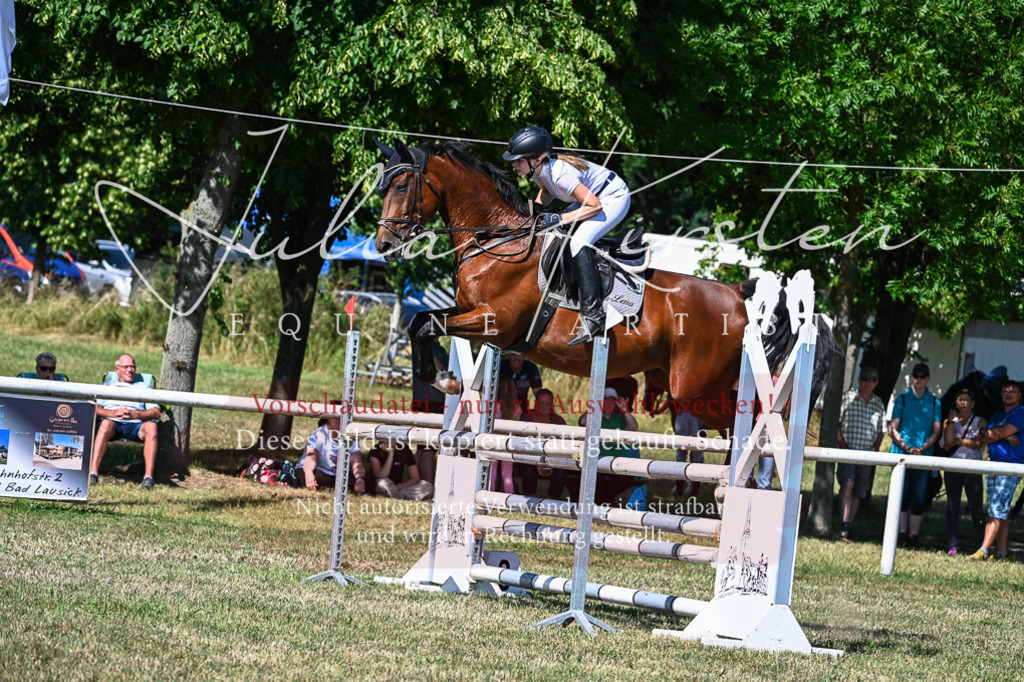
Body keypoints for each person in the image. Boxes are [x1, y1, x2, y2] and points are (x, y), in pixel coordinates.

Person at [503, 126, 631, 346]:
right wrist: (531, 216)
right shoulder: (538, 171)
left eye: (519, 160)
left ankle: (594, 315)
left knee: (578, 242)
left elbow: (594, 206)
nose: (514, 164)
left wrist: (560, 218)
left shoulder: (560, 174)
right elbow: (547, 191)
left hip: (612, 198)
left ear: (536, 160)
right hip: (592, 199)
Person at [962, 380, 1024, 560]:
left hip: (1010, 467)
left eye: (1013, 391)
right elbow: (983, 438)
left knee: (997, 508)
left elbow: (995, 434)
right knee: (999, 510)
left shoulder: (1021, 413)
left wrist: (997, 434)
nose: (1008, 394)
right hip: (993, 465)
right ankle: (1002, 554)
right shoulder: (997, 415)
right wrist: (1000, 434)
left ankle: (983, 550)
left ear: (1019, 395)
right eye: (1005, 391)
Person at [888, 362, 942, 548]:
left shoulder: (934, 402)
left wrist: (922, 448)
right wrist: (907, 447)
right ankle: (900, 533)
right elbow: (893, 428)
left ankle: (913, 535)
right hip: (901, 455)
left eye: (922, 376)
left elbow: (936, 430)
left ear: (928, 378)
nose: (918, 379)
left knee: (919, 497)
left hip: (923, 457)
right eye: (916, 376)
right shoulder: (902, 399)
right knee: (901, 496)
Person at [90, 354, 162, 489]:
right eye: (126, 367)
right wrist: (112, 413)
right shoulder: (107, 386)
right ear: (117, 369)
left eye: (133, 367)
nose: (130, 370)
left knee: (152, 427)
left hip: (136, 425)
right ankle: (93, 474)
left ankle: (148, 478)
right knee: (105, 424)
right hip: (113, 424)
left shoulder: (143, 387)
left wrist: (136, 414)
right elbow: (95, 409)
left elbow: (156, 413)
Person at [835, 366, 887, 540]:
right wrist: (843, 445)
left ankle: (849, 526)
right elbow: (837, 425)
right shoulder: (847, 398)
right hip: (847, 451)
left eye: (871, 380)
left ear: (876, 383)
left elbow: (881, 431)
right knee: (848, 484)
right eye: (864, 379)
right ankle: (843, 522)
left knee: (858, 491)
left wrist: (874, 451)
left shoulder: (878, 403)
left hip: (867, 454)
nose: (867, 383)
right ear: (859, 380)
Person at [939, 388, 987, 555]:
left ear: (972, 403)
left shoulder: (980, 422)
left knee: (976, 508)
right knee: (953, 507)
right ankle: (953, 545)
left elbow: (977, 444)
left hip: (973, 468)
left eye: (966, 400)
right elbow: (947, 443)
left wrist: (958, 440)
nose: (963, 403)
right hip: (953, 468)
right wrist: (951, 423)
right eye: (960, 400)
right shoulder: (950, 422)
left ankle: (981, 545)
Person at [576, 387, 641, 506]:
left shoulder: (620, 417)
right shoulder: (595, 416)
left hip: (616, 461)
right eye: (605, 399)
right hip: (596, 459)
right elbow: (582, 422)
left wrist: (625, 410)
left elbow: (634, 428)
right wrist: (594, 405)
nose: (608, 403)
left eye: (612, 400)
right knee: (598, 479)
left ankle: (604, 503)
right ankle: (601, 504)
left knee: (626, 479)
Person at [297, 410, 367, 494]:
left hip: (338, 475)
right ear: (329, 418)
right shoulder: (319, 434)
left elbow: (357, 462)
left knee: (366, 481)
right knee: (318, 478)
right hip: (317, 470)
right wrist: (309, 473)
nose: (339, 420)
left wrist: (360, 478)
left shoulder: (351, 436)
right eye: (336, 417)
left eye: (343, 418)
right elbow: (310, 458)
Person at [519, 388, 566, 495]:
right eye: (541, 403)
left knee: (561, 472)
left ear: (552, 405)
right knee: (528, 469)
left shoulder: (559, 421)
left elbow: (563, 446)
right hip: (531, 457)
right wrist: (537, 463)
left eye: (548, 403)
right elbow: (521, 444)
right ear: (536, 403)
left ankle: (553, 501)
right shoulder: (527, 418)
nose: (544, 406)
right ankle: (529, 499)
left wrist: (552, 463)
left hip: (552, 458)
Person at [367, 440, 434, 501]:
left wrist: (398, 486)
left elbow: (416, 478)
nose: (388, 440)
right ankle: (400, 498)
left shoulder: (404, 448)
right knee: (382, 483)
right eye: (385, 438)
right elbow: (381, 476)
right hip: (383, 485)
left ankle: (395, 496)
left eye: (391, 438)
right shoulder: (375, 450)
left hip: (399, 488)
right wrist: (391, 454)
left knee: (427, 486)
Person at [490, 378, 522, 494]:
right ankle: (509, 498)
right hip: (509, 443)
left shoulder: (494, 407)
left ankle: (488, 496)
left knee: (492, 472)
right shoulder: (517, 408)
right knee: (507, 474)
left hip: (493, 442)